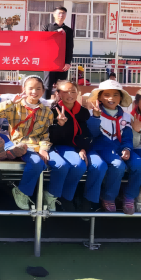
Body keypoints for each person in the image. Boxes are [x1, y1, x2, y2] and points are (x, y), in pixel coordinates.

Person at [0, 76, 56, 210]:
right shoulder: (14, 105)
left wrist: (44, 148)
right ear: (23, 89)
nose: (34, 92)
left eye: (38, 89)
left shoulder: (47, 111)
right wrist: (10, 102)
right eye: (30, 88)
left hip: (34, 145)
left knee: (42, 162)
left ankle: (21, 189)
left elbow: (46, 134)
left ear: (43, 91)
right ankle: (22, 191)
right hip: (16, 142)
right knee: (35, 162)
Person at [87, 80, 141, 215]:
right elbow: (92, 134)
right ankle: (108, 197)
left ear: (121, 98)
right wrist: (95, 117)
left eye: (115, 95)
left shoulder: (126, 116)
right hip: (101, 148)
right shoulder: (91, 113)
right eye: (106, 95)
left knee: (140, 165)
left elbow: (127, 136)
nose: (111, 98)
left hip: (120, 147)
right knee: (118, 165)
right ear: (99, 97)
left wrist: (127, 149)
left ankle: (129, 196)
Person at [47, 80, 96, 212]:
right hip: (55, 145)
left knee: (80, 166)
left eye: (73, 91)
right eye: (65, 92)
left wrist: (82, 148)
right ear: (58, 94)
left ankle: (66, 197)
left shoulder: (83, 112)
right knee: (65, 166)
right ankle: (52, 195)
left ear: (78, 93)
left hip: (73, 146)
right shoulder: (52, 110)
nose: (70, 95)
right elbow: (51, 137)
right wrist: (60, 125)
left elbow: (85, 132)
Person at [41, 7, 73, 101]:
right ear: (54, 14)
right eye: (59, 13)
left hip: (62, 62)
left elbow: (70, 47)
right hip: (49, 61)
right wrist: (56, 32)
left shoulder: (68, 30)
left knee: (61, 86)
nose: (61, 15)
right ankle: (45, 105)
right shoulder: (47, 27)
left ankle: (60, 106)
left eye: (63, 13)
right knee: (47, 85)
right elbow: (42, 39)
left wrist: (68, 62)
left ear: (65, 15)